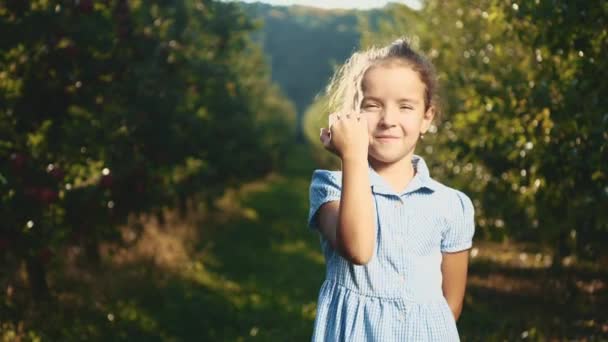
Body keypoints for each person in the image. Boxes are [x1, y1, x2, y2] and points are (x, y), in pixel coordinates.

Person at [307, 38, 475, 341]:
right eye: (372, 106)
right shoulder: (330, 187)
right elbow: (358, 250)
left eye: (405, 106)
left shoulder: (453, 205)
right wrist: (353, 154)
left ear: (427, 118)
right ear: (351, 114)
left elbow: (451, 303)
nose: (387, 120)